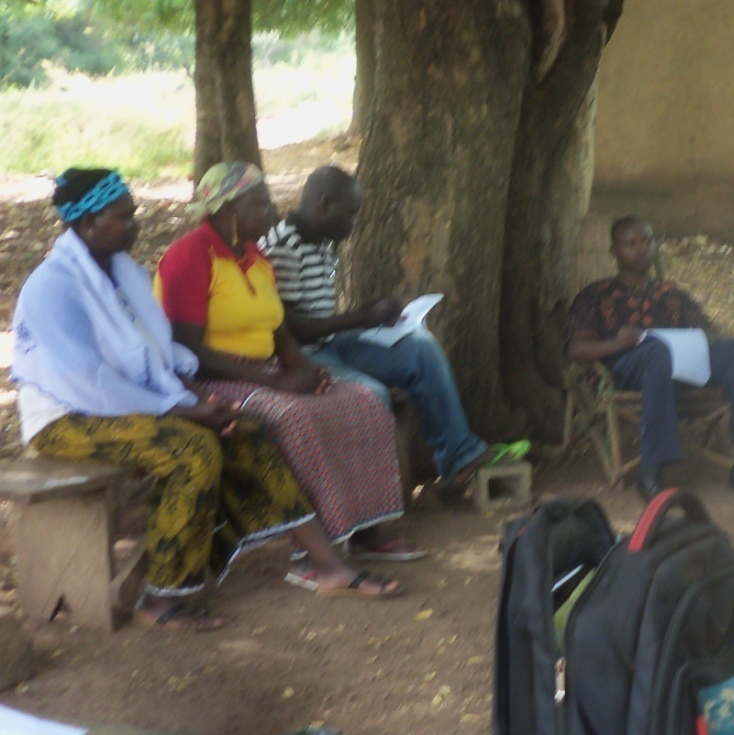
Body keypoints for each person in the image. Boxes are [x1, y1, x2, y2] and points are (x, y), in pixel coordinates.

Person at [12, 169, 396, 629]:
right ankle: (162, 596)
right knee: (192, 450)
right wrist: (185, 409)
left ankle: (328, 566)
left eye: (133, 214)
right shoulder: (53, 286)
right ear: (88, 224)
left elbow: (159, 356)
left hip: (133, 404)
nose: (135, 224)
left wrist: (204, 400)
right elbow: (85, 381)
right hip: (66, 417)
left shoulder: (124, 274)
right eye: (123, 217)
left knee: (246, 431)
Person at [154, 162, 409, 585]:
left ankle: (364, 529)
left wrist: (306, 371)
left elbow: (278, 330)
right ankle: (308, 557)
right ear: (228, 209)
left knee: (360, 400)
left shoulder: (255, 257)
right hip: (211, 381)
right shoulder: (189, 255)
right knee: (296, 419)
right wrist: (276, 381)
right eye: (260, 204)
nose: (270, 213)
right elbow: (187, 349)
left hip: (265, 371)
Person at [263, 165, 526, 490]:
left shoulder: (321, 242)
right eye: (350, 214)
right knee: (370, 397)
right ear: (325, 203)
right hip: (299, 357)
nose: (353, 224)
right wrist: (361, 317)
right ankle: (372, 505)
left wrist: (372, 313)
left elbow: (319, 315)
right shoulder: (285, 246)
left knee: (420, 347)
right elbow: (288, 330)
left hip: (330, 343)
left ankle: (461, 456)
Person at [568, 216, 734, 501]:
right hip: (624, 368)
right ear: (614, 252)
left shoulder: (669, 294)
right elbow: (576, 349)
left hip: (680, 366)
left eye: (647, 241)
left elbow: (709, 331)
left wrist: (702, 338)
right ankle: (652, 470)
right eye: (630, 243)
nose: (641, 248)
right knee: (657, 353)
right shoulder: (595, 295)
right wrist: (617, 342)